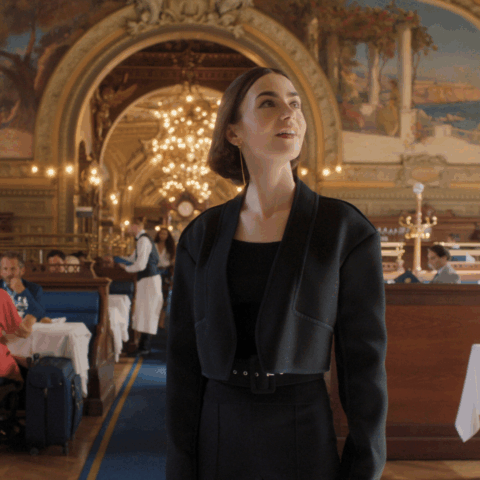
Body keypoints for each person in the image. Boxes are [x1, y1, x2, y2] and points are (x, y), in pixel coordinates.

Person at [166, 67, 387, 480]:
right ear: (234, 132)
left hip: (302, 426)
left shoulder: (344, 229)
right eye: (268, 103)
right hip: (220, 427)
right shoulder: (202, 235)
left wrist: (365, 466)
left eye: (295, 103)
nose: (289, 113)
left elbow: (364, 365)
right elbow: (183, 362)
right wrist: (180, 464)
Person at [112, 217, 163, 356]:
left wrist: (126, 268)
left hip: (149, 280)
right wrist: (119, 259)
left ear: (136, 226)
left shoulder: (143, 240)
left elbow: (140, 265)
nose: (128, 229)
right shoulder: (142, 240)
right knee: (144, 312)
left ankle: (144, 347)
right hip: (147, 280)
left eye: (130, 226)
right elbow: (133, 258)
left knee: (147, 312)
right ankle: (142, 346)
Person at [0, 289, 36, 384]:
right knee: (32, 367)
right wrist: (31, 318)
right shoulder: (1, 295)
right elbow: (23, 332)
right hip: (2, 368)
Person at [0, 251, 47, 321]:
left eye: (13, 269)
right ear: (1, 271)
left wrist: (23, 292)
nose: (9, 273)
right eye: (5, 269)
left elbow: (40, 315)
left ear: (22, 270)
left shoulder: (35, 289)